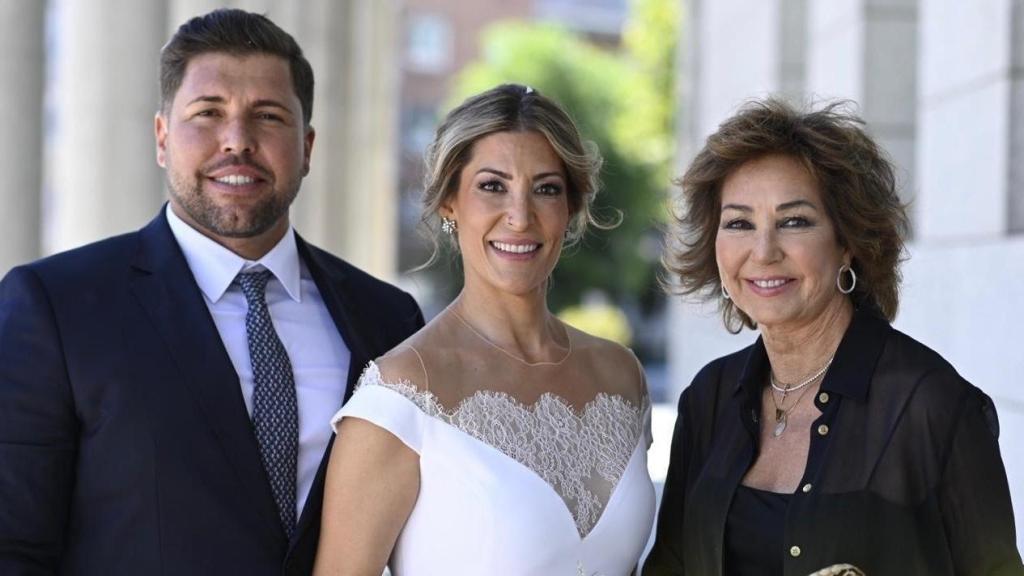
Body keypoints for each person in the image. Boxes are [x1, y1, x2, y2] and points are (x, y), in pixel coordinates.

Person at [0, 9, 423, 575]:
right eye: (208, 113)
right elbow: (13, 545)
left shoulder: (387, 319)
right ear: (162, 137)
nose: (237, 141)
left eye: (268, 117)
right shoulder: (55, 306)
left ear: (307, 147)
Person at [643, 98, 1023, 576]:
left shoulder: (931, 405)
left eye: (794, 221)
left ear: (847, 242)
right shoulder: (709, 399)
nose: (763, 252)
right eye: (739, 223)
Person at [313, 84, 656, 575]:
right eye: (492, 186)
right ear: (450, 202)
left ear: (571, 207)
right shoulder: (400, 395)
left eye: (546, 189)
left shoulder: (621, 373)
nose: (520, 216)